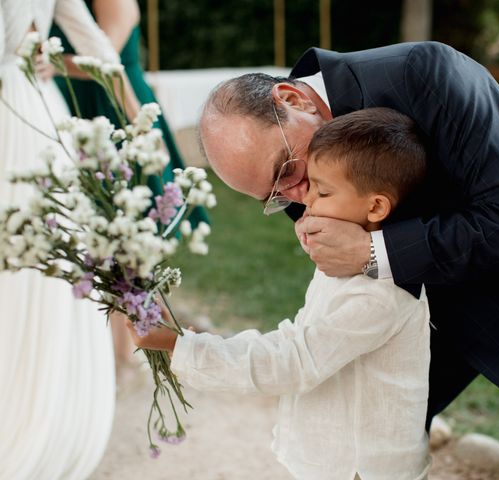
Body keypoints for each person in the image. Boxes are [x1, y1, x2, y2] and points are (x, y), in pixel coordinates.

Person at [197, 42, 499, 480]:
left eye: (286, 172)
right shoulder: (298, 173)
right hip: (447, 283)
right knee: (365, 426)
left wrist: (372, 252)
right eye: (275, 198)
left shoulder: (423, 74)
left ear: (292, 99)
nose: (298, 200)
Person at [120, 107, 432, 480]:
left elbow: (293, 360)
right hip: (333, 458)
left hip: (359, 467)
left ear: (376, 206)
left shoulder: (381, 294)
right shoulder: (345, 268)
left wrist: (182, 345)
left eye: (324, 191)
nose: (308, 201)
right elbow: (298, 338)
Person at [0, 1, 137, 478]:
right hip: (40, 115)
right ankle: (43, 405)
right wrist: (141, 126)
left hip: (14, 118)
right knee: (45, 274)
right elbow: (100, 50)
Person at [48, 0, 209, 378]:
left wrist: (46, 62)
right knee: (91, 235)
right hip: (71, 107)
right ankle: (108, 353)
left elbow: (106, 60)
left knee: (131, 239)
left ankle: (132, 352)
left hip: (116, 106)